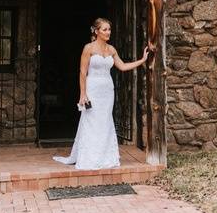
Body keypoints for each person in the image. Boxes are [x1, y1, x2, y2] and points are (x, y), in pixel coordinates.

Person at [54, 17, 150, 169]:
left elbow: (123, 66)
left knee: (105, 121)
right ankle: (89, 157)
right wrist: (82, 94)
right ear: (97, 31)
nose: (108, 32)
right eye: (105, 29)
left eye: (109, 29)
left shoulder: (111, 49)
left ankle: (106, 157)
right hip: (92, 88)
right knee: (91, 121)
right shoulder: (89, 48)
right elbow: (82, 72)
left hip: (107, 90)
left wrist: (142, 60)